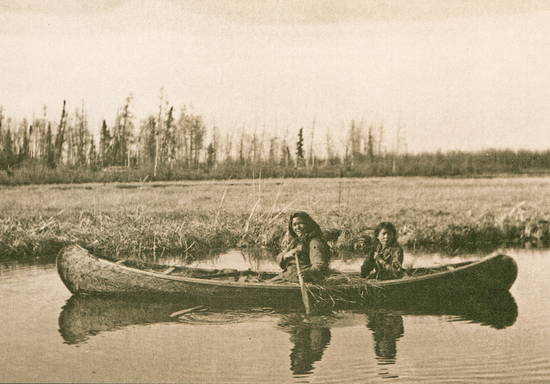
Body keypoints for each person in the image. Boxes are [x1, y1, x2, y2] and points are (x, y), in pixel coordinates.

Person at [272, 211, 331, 283]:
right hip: (288, 276)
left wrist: (307, 273)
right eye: (294, 225)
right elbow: (280, 261)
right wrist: (285, 256)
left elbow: (319, 265)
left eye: (301, 223)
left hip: (300, 279)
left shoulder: (314, 242)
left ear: (308, 224)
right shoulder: (295, 242)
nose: (297, 227)